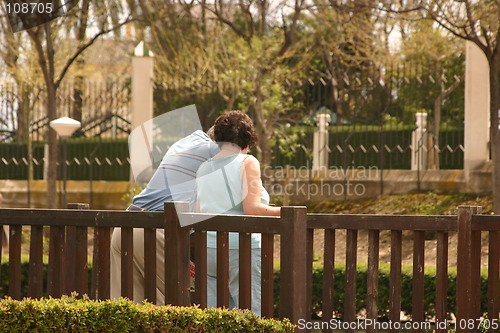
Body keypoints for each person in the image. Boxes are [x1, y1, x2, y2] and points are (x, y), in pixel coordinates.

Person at [110, 128, 218, 305]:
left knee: (126, 310)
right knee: (175, 306)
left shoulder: (187, 141)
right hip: (154, 230)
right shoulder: (211, 149)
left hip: (126, 224)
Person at [195, 110, 280, 316]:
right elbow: (251, 208)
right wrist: (286, 212)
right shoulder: (247, 162)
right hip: (240, 248)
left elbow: (199, 211)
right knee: (249, 315)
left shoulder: (204, 167)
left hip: (208, 249)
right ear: (247, 138)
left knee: (213, 317)